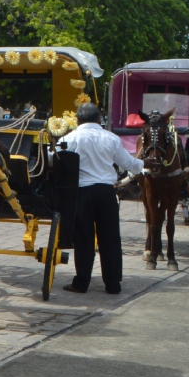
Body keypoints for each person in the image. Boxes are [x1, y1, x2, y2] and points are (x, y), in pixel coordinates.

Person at [59, 102, 145, 295]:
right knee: (111, 239)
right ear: (99, 119)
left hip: (82, 194)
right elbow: (128, 163)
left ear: (78, 119)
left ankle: (81, 283)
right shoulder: (111, 138)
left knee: (83, 240)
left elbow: (53, 158)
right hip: (106, 193)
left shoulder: (70, 138)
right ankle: (113, 285)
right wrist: (143, 164)